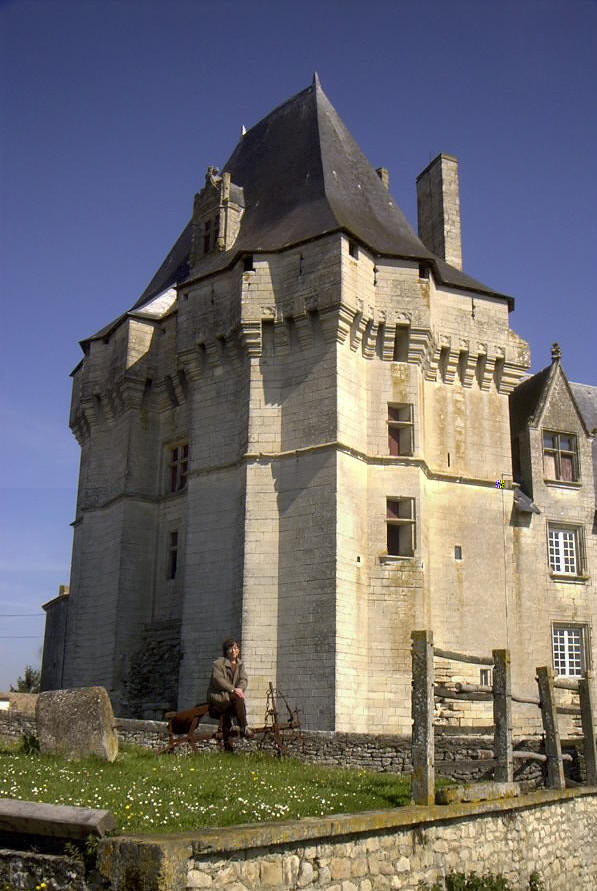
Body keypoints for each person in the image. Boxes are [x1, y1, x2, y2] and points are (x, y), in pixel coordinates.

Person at [207, 638, 253, 751]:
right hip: (219, 695)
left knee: (237, 699)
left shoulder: (240, 664)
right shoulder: (218, 664)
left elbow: (243, 679)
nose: (234, 650)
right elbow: (218, 680)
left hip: (232, 696)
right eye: (231, 648)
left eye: (236, 648)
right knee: (237, 697)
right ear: (226, 650)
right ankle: (244, 727)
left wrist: (240, 689)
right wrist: (233, 690)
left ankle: (229, 748)